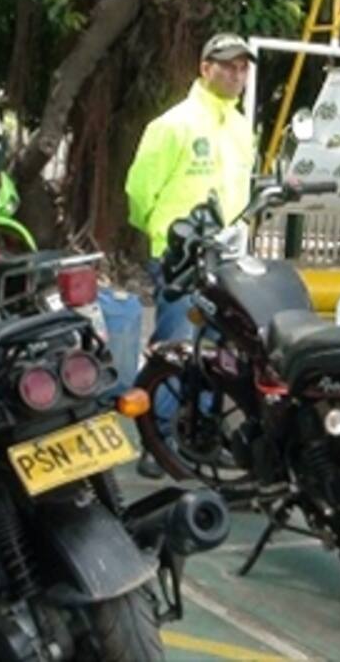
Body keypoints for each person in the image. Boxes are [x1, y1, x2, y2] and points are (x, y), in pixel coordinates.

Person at [124, 32, 256, 477]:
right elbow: (139, 193)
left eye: (242, 67)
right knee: (177, 347)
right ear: (205, 68)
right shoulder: (172, 125)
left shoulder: (241, 129)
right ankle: (157, 439)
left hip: (227, 259)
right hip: (181, 258)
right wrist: (164, 234)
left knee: (218, 353)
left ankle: (200, 436)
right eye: (227, 65)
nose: (236, 74)